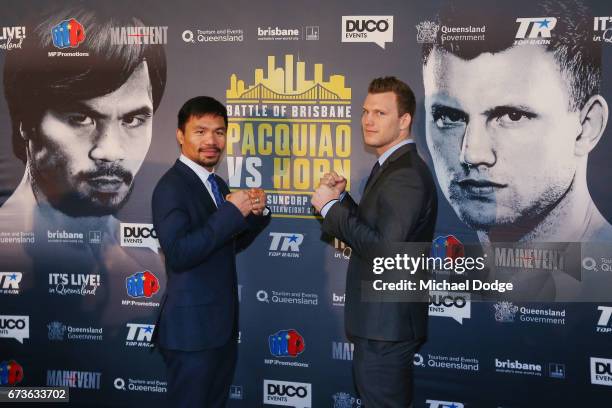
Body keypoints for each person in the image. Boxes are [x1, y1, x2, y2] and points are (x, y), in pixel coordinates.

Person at [422, 0, 611, 243]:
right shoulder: (447, 274)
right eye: (450, 117)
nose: (472, 154)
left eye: (513, 116)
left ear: (586, 127)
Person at [312, 77, 437, 407]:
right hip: (382, 324)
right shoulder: (393, 166)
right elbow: (380, 227)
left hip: (386, 325)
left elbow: (385, 250)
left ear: (404, 120)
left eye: (380, 113)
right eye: (366, 111)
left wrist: (328, 209)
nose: (368, 120)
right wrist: (343, 200)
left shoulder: (406, 174)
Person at [0, 7, 166, 246]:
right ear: (27, 122)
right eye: (80, 118)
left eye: (131, 120)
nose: (110, 152)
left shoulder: (152, 261)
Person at [152, 96, 270, 408]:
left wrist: (255, 216)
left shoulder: (215, 182)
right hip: (192, 335)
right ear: (180, 135)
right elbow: (179, 253)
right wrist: (231, 213)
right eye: (200, 131)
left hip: (219, 330)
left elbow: (223, 246)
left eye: (219, 132)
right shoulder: (172, 186)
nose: (211, 141)